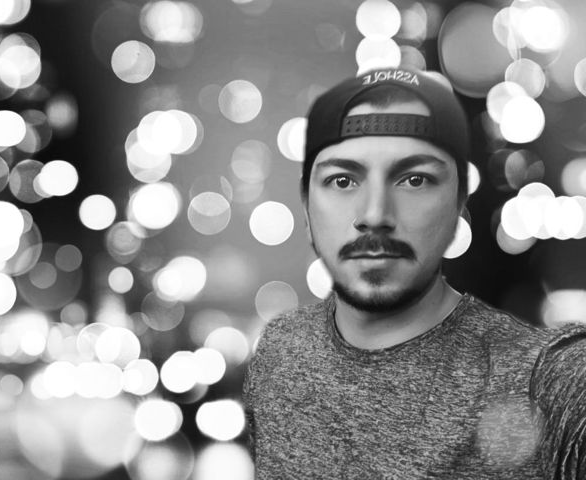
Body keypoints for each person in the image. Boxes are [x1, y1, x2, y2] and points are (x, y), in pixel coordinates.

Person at [242, 66, 586, 479]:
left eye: (414, 179)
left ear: (459, 201)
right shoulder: (279, 352)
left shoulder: (542, 378)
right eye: (343, 180)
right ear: (306, 204)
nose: (374, 214)